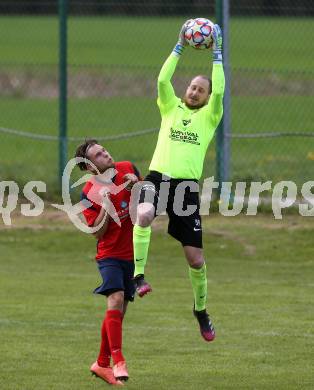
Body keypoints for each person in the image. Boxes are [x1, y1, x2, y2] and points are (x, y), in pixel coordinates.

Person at [132, 21, 225, 342]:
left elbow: (221, 89)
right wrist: (179, 46)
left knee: (196, 260)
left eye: (201, 89)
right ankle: (137, 276)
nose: (195, 90)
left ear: (208, 97)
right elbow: (161, 79)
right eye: (192, 87)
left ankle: (201, 311)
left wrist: (217, 54)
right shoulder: (170, 108)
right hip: (157, 179)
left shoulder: (209, 117)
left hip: (186, 189)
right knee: (143, 214)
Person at [75, 139, 140, 385]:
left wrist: (138, 188)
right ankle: (118, 360)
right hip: (109, 254)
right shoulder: (88, 193)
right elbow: (96, 232)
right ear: (91, 168)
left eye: (103, 150)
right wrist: (105, 205)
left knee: (119, 311)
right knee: (116, 298)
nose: (106, 154)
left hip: (131, 255)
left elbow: (145, 208)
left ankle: (101, 364)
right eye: (99, 155)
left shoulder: (128, 168)